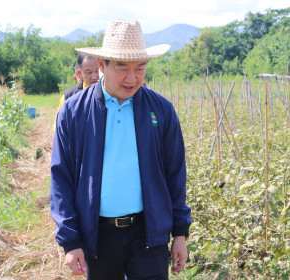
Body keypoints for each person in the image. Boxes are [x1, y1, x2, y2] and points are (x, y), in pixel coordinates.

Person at [50, 19, 191, 280]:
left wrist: (180, 233)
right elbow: (62, 178)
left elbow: (175, 174)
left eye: (140, 67)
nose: (132, 77)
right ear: (102, 65)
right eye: (122, 67)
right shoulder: (74, 112)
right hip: (97, 236)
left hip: (148, 233)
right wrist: (70, 240)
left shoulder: (160, 110)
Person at [53, 54, 100, 131]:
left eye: (97, 71)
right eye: (89, 72)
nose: (94, 77)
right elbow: (58, 131)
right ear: (80, 74)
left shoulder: (112, 96)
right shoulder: (68, 97)